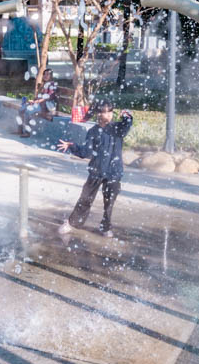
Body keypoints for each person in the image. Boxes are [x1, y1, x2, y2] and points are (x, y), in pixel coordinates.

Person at [56, 100, 133, 238]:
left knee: (109, 202)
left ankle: (105, 227)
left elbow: (126, 126)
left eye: (110, 111)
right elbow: (86, 152)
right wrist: (71, 146)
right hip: (96, 171)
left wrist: (127, 116)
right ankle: (72, 223)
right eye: (104, 112)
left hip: (113, 172)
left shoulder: (117, 129)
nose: (108, 115)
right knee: (85, 198)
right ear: (98, 113)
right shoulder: (93, 131)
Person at [18, 68, 59, 137]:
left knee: (28, 111)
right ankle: (20, 130)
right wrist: (33, 101)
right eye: (44, 74)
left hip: (46, 106)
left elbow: (49, 96)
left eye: (48, 74)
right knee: (21, 109)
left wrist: (37, 101)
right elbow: (39, 96)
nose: (45, 76)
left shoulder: (52, 84)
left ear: (51, 76)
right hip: (39, 104)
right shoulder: (43, 84)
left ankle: (27, 132)